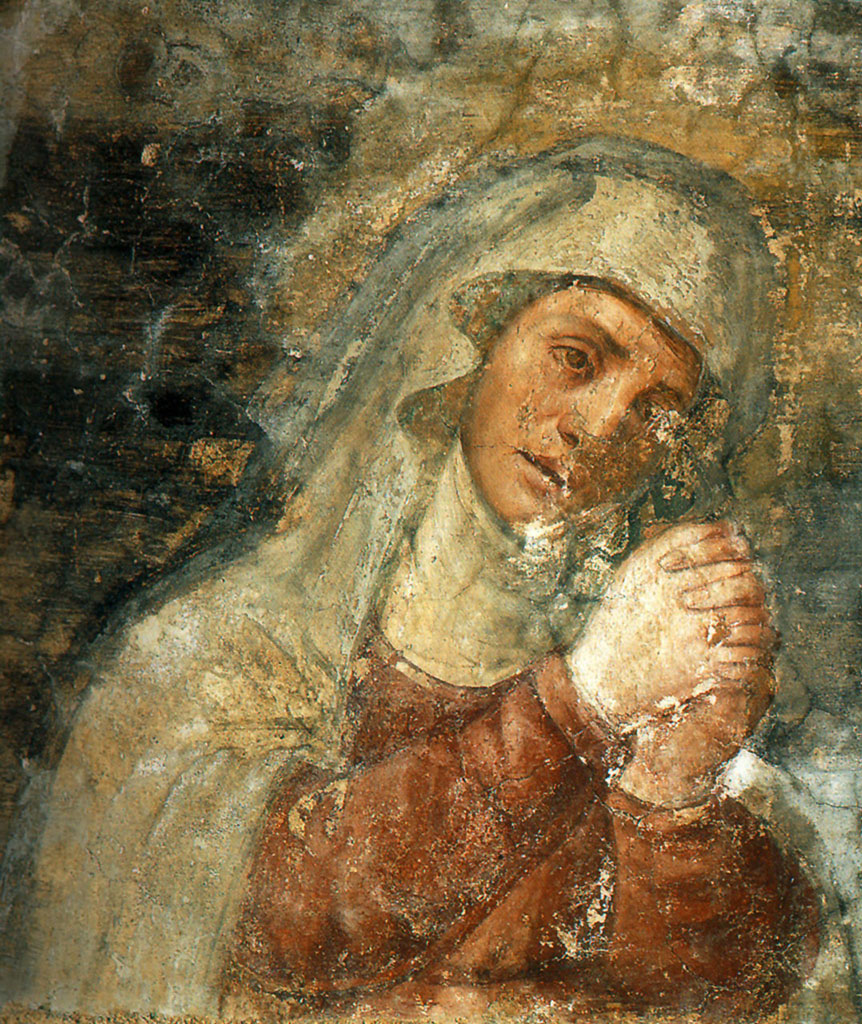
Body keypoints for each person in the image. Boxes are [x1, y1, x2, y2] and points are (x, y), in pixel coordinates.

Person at [0, 139, 818, 1020]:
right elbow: (275, 922)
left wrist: (673, 793)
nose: (601, 425)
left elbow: (716, 986)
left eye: (656, 410)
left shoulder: (651, 675)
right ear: (469, 346)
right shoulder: (228, 646)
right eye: (576, 358)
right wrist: (579, 702)